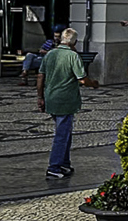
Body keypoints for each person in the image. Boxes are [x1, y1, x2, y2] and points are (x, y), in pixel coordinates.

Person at [37, 27, 98, 180]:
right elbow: (82, 79)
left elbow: (40, 77)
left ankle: (64, 163)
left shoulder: (50, 54)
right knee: (62, 135)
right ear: (74, 42)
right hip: (66, 100)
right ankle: (54, 167)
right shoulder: (73, 56)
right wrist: (93, 84)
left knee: (65, 132)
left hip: (51, 98)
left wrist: (40, 97)